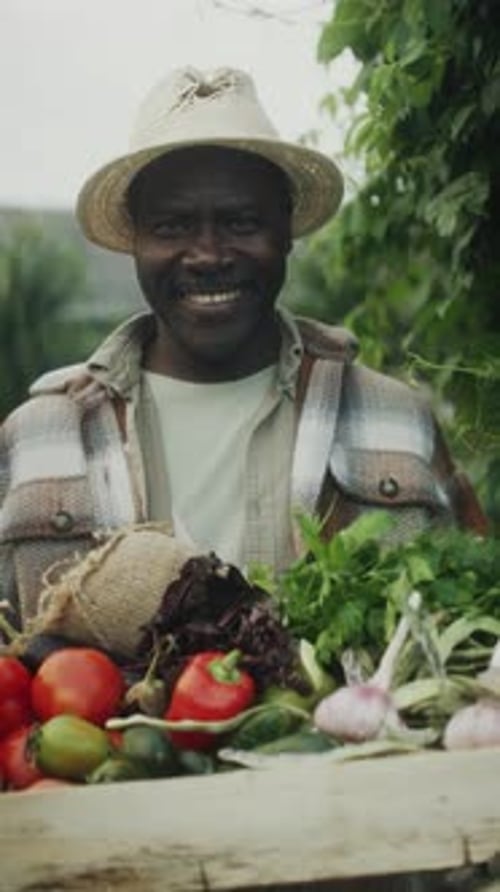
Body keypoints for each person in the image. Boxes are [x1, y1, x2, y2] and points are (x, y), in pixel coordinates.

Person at [0, 66, 486, 631]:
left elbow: (475, 627)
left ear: (286, 231)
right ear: (135, 238)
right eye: (173, 225)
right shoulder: (38, 439)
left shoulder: (397, 419)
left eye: (241, 221)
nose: (207, 254)